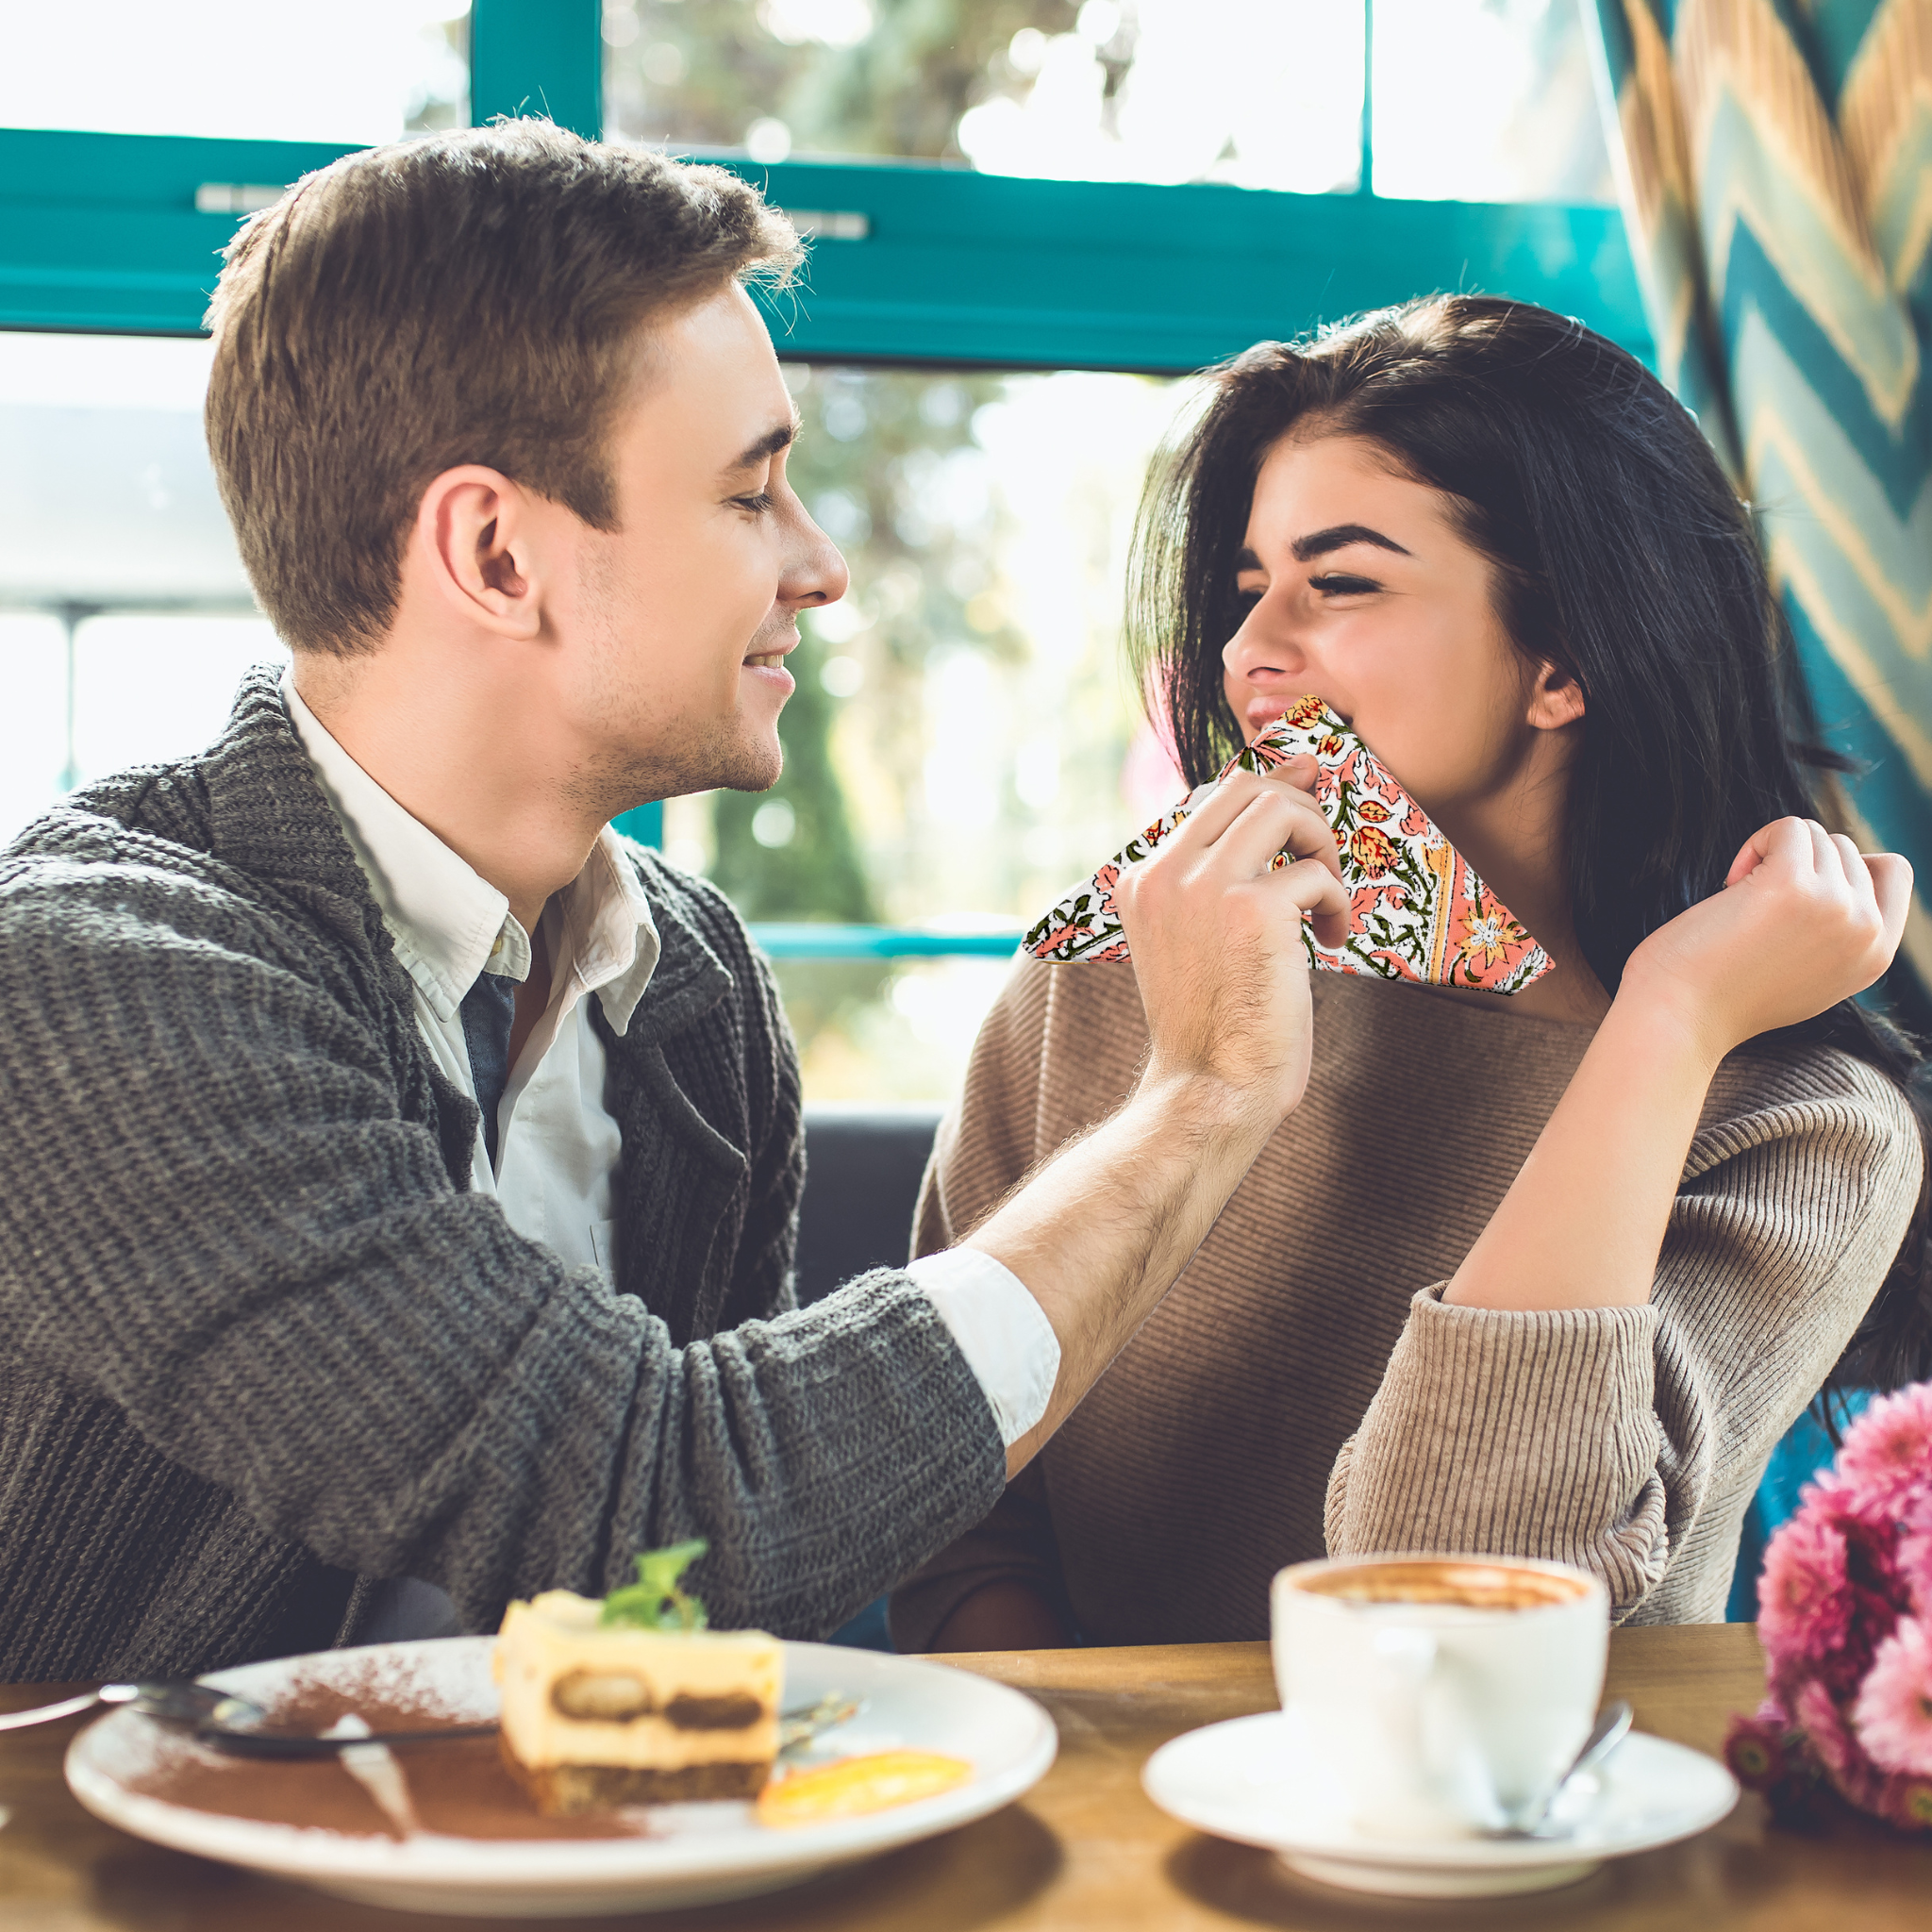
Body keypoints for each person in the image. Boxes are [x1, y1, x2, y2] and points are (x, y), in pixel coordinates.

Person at [0, 123, 1354, 1681]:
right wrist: (1196, 1097)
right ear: (498, 554)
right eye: (748, 495)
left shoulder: (692, 981)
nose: (821, 563)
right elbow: (656, 1511)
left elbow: (711, 1620)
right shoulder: (93, 974)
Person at [891, 294, 1927, 1653]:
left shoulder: (1807, 1127)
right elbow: (944, 1495)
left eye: (1342, 581)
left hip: (1520, 1852)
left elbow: (1454, 1610)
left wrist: (1668, 1022)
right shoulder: (1119, 975)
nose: (1250, 650)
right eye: (1249, 583)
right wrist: (1093, 1798)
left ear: (1563, 662)